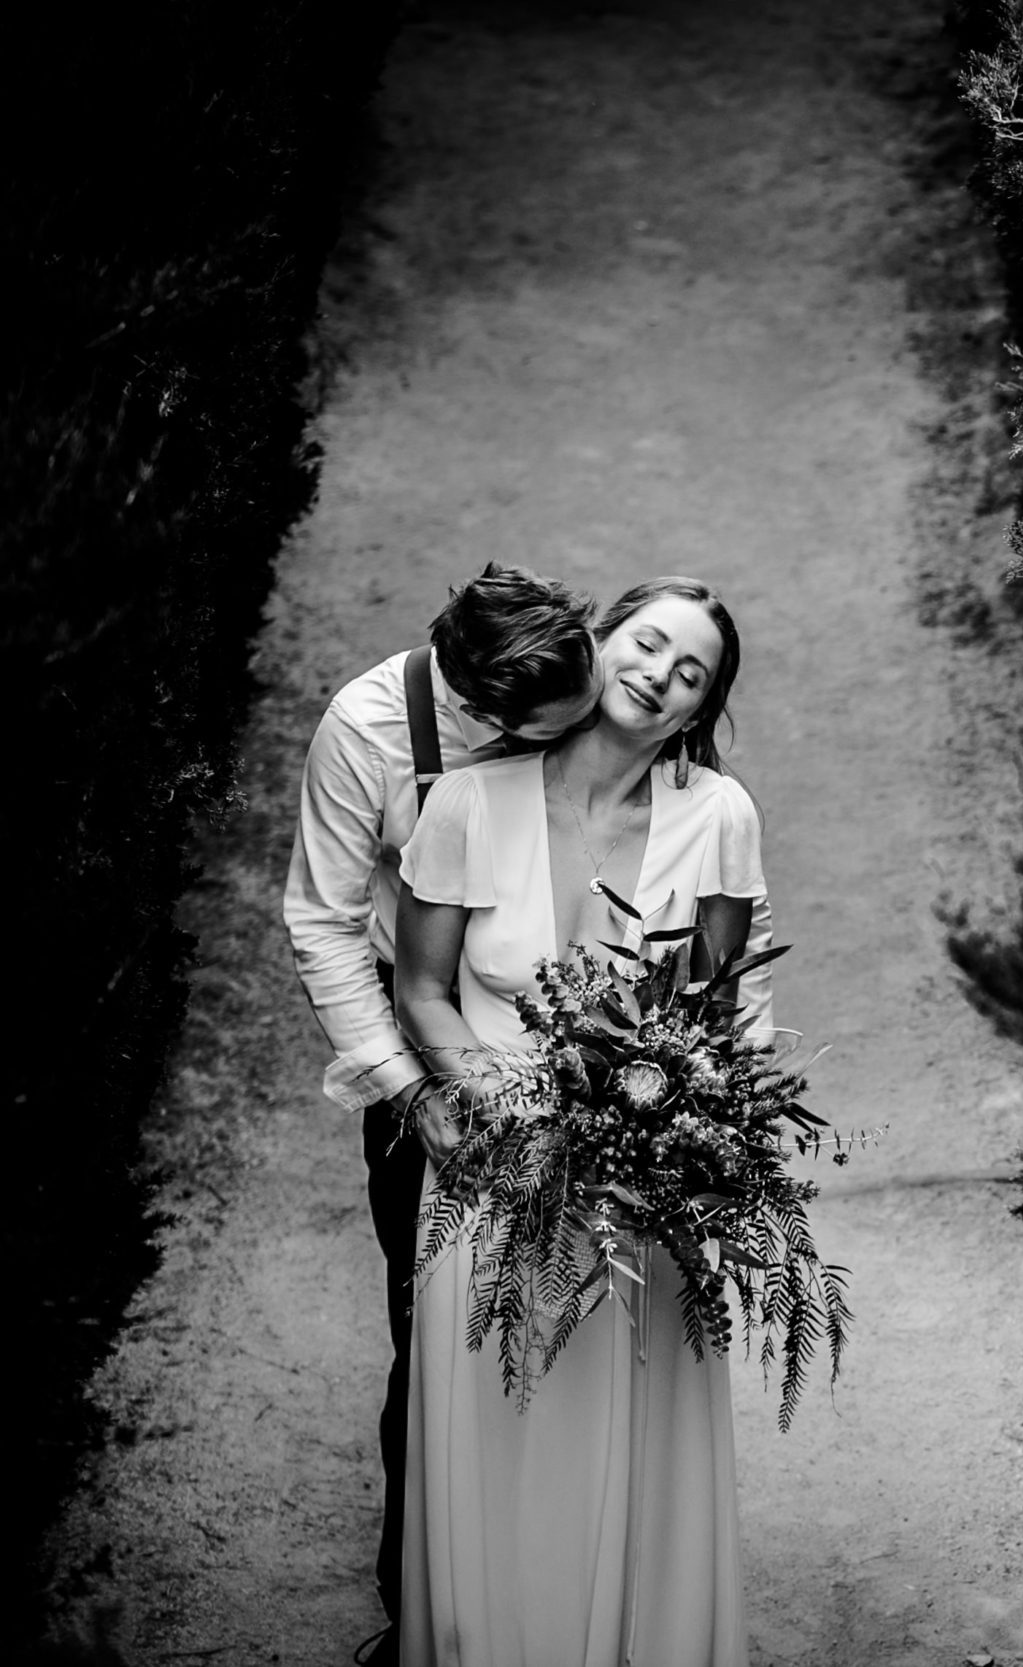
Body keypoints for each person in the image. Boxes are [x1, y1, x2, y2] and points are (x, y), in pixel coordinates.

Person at [283, 564, 778, 1661]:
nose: (659, 676)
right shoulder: (418, 767)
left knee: (622, 1409)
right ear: (601, 643)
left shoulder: (718, 817)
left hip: (634, 1177)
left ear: (704, 708)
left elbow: (721, 1008)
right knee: (450, 1373)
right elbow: (376, 957)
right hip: (470, 1144)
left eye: (691, 672)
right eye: (647, 646)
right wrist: (457, 1100)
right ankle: (458, 1627)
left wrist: (704, 1140)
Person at [284, 562, 603, 1649]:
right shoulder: (367, 733)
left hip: (592, 1051)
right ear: (484, 718)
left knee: (597, 1326)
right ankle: (421, 1609)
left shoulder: (578, 678)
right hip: (428, 1065)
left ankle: (573, 1576)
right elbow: (322, 921)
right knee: (437, 1342)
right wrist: (411, 1089)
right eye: (553, 731)